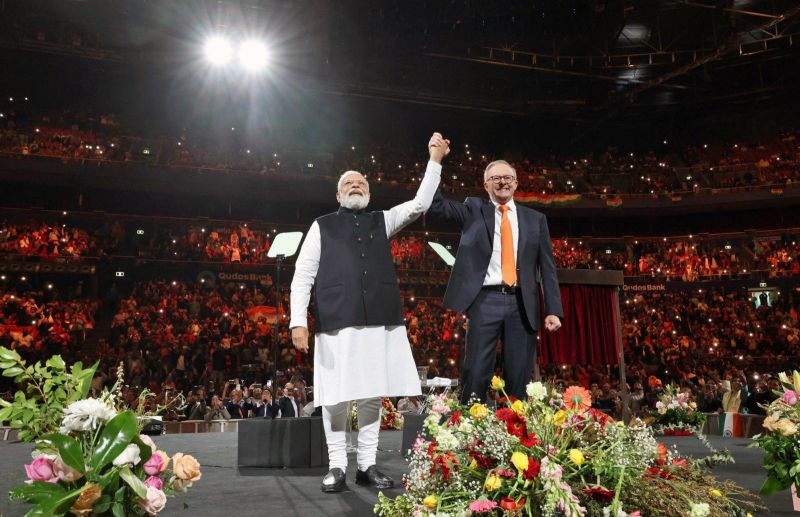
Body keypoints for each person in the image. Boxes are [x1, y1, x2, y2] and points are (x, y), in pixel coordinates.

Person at [290, 133, 448, 493]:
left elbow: (420, 204)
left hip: (379, 320)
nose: (355, 186)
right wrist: (298, 321)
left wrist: (435, 161)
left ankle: (366, 465)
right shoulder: (321, 225)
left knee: (371, 395)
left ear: (369, 193)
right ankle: (336, 466)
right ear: (338, 195)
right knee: (335, 396)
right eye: (349, 183)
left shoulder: (383, 220)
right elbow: (303, 274)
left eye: (361, 182)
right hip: (335, 322)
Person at [427, 158, 563, 404]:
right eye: (496, 178)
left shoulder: (536, 219)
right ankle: (470, 423)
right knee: (476, 371)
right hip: (484, 301)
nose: (502, 182)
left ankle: (515, 425)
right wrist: (435, 160)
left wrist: (553, 309)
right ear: (486, 185)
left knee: (519, 375)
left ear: (516, 183)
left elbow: (547, 268)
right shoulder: (472, 209)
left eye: (507, 177)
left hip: (522, 304)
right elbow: (435, 206)